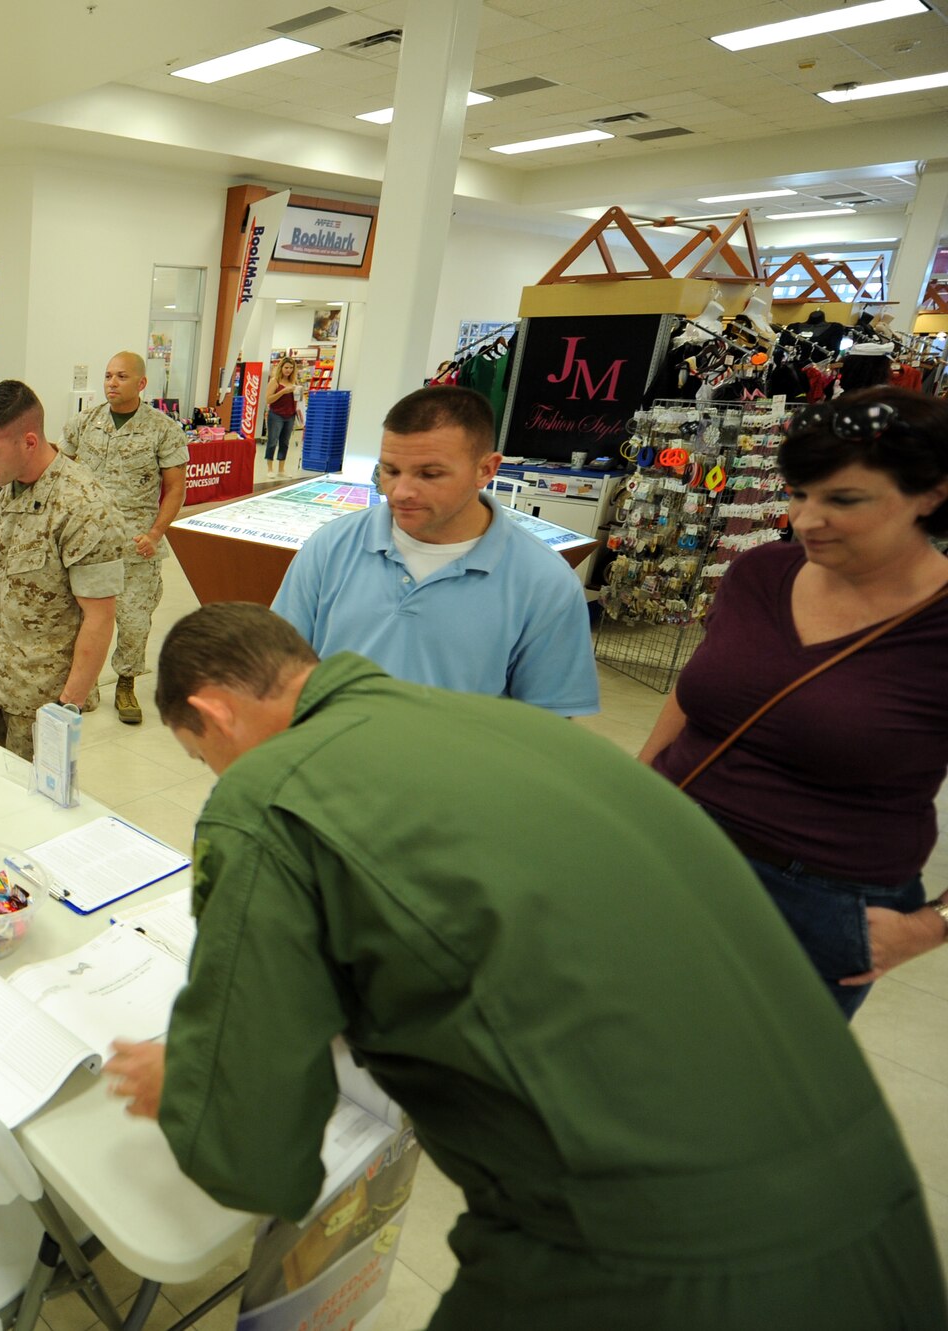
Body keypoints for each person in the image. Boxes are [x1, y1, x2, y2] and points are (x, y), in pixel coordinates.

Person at [104, 602, 942, 1330]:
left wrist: (196, 1079)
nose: (213, 774)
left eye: (199, 754)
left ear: (213, 714)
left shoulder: (270, 795)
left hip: (653, 1263)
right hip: (875, 1218)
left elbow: (251, 1140)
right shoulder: (500, 726)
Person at [642, 388, 948, 1019]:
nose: (807, 520)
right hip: (670, 854)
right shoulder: (760, 575)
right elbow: (698, 692)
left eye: (844, 499)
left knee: (741, 1102)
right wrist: (637, 791)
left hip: (819, 902)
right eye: (800, 493)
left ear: (931, 494)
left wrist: (929, 926)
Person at [270, 385, 598, 716]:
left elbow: (548, 724)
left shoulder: (544, 581)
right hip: (326, 763)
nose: (401, 491)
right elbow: (281, 667)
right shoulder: (330, 546)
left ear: (486, 469)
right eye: (390, 470)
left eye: (430, 474)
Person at [0, 381, 126, 759]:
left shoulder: (84, 507)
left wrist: (68, 705)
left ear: (29, 441)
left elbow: (99, 616)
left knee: (30, 802)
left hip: (41, 696)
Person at [59, 351, 189, 725]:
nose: (112, 383)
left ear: (141, 383)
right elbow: (60, 475)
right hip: (87, 543)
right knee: (83, 618)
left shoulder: (164, 429)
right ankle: (85, 686)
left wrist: (155, 533)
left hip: (137, 545)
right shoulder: (84, 423)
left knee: (134, 620)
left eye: (121, 377)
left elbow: (175, 489)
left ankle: (126, 682)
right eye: (108, 376)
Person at [263, 357, 299, 478]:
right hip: (276, 415)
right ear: (281, 368)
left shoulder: (295, 382)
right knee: (272, 441)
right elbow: (268, 399)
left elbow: (297, 400)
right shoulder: (275, 381)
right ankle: (269, 468)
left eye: (291, 368)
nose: (288, 370)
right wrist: (282, 392)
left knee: (285, 442)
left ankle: (281, 469)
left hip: (290, 415)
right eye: (286, 367)